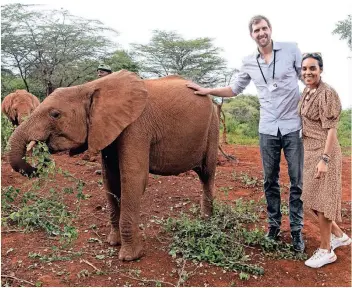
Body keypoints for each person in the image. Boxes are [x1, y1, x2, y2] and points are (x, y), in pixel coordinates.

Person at [186, 15, 305, 252]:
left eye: (264, 28)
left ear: (271, 29)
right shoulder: (249, 61)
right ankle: (273, 228)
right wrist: (206, 89)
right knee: (269, 180)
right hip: (268, 128)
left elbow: (306, 78)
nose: (261, 33)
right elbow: (235, 89)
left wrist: (322, 90)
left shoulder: (291, 50)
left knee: (296, 181)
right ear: (251, 35)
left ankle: (296, 232)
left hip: (293, 126)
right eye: (256, 30)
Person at [299, 53, 351, 268]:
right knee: (310, 198)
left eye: (312, 68)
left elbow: (331, 130)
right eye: (304, 69)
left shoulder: (327, 93)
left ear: (321, 69)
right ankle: (339, 235)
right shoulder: (307, 90)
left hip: (323, 151)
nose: (308, 72)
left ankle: (326, 250)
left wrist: (325, 159)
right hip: (309, 151)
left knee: (322, 201)